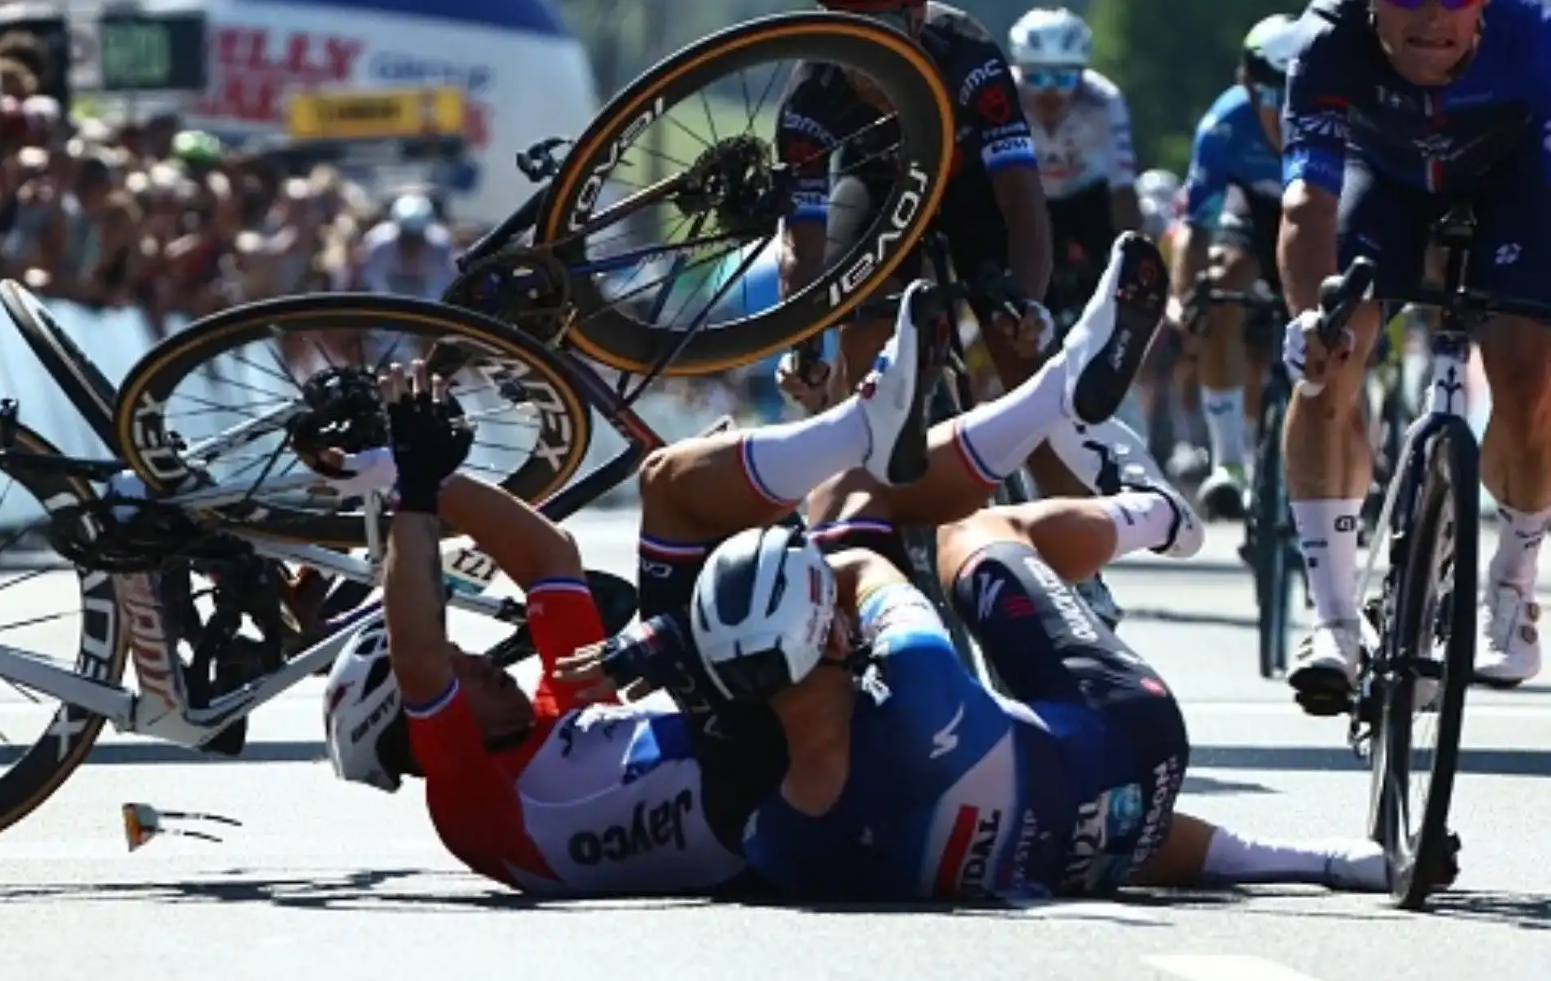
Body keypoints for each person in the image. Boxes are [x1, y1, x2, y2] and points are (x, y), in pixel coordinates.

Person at [325, 233, 1398, 900]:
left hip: (751, 734)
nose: (478, 657)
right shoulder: (468, 805)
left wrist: (394, 467)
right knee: (711, 503)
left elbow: (548, 552)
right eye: (460, 671)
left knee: (857, 508)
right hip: (758, 775)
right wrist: (411, 504)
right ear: (410, 727)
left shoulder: (551, 710)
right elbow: (418, 644)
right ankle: (983, 421)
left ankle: (1038, 404)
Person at [772, 0, 1160, 629]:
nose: (863, 49)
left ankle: (1080, 568)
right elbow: (803, 248)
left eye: (882, 28)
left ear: (917, 14)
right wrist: (803, 343)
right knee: (857, 346)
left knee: (1026, 366)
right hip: (878, 193)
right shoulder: (812, 91)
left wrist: (1029, 304)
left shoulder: (967, 54)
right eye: (843, 30)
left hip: (973, 189)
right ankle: (882, 542)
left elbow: (1022, 199)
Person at [1282, 0, 1551, 705]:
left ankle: (1513, 582)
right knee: (1330, 361)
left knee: (1529, 379)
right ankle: (1330, 619)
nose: (1431, 15)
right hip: (1385, 180)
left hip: (1513, 185)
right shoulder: (1329, 37)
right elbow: (1306, 205)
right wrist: (1309, 321)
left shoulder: (1533, 34)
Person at [1172, 14, 1297, 522]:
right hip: (1255, 212)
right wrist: (1186, 300)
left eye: (1297, 96)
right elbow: (1197, 228)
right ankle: (1229, 463)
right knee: (1220, 286)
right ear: (1247, 84)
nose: (1284, 114)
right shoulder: (1223, 126)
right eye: (1272, 97)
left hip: (1323, 211)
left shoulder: (1343, 112)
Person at [1007, 7, 1143, 315]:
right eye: (1036, 77)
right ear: (1019, 70)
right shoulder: (1003, 94)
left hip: (1087, 197)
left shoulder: (1104, 100)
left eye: (1064, 78)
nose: (1050, 92)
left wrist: (1135, 262)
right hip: (1030, 197)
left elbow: (1122, 187)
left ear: (1082, 74)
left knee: (1120, 274)